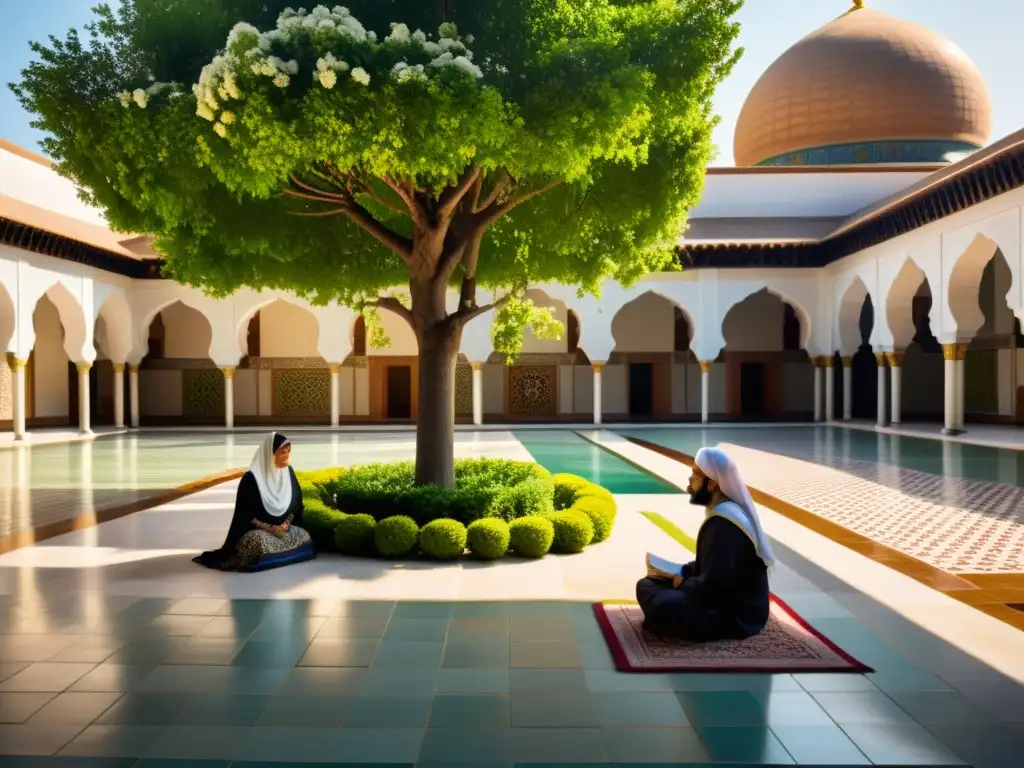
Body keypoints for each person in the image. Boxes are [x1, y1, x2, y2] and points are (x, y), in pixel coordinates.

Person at [636, 446, 774, 641]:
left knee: (663, 603)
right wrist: (679, 571)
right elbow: (712, 569)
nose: (690, 481)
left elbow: (715, 588)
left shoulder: (724, 523)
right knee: (649, 584)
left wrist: (679, 581)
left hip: (735, 616)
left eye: (696, 474)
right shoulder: (724, 515)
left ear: (712, 484)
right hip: (724, 601)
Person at [193, 432, 315, 572]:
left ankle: (273, 555)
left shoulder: (288, 473)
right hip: (259, 531)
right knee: (257, 541)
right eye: (282, 452)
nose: (287, 456)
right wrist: (270, 528)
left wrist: (285, 524)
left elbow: (296, 504)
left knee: (303, 535)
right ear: (270, 455)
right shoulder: (252, 479)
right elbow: (245, 514)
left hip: (283, 530)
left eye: (288, 452)